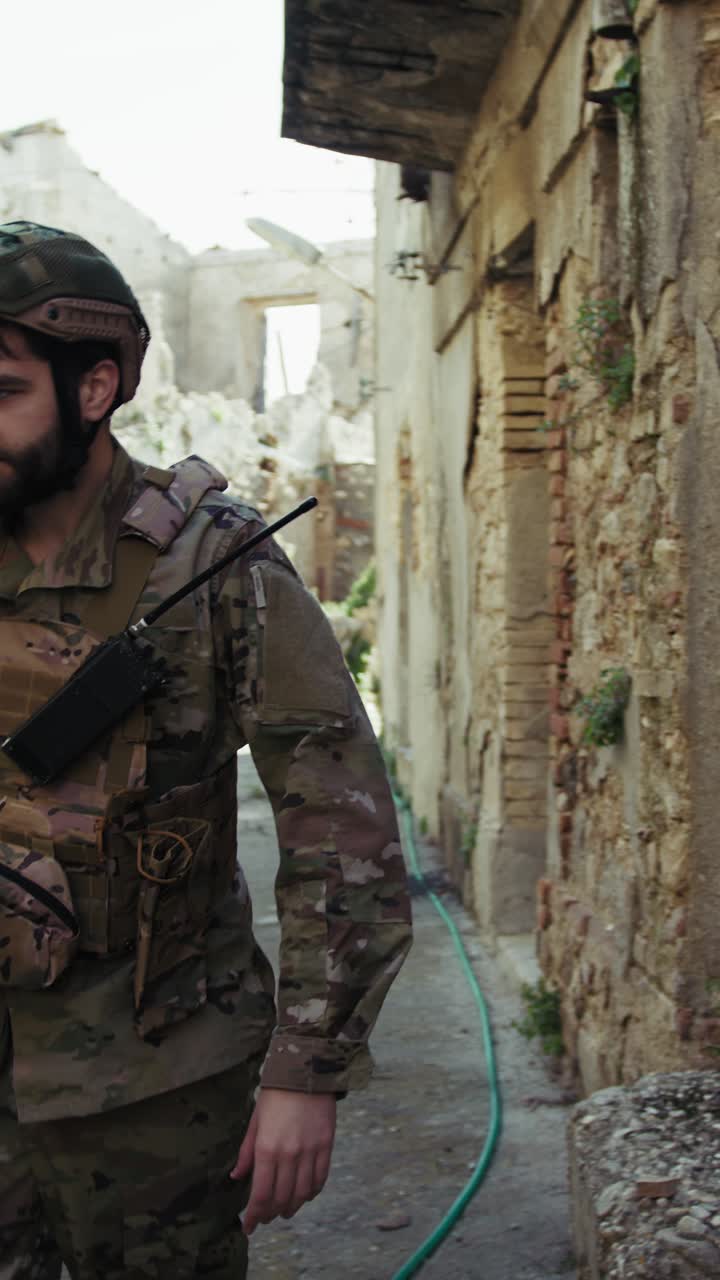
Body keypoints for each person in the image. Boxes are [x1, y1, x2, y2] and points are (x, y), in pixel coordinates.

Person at [0, 221, 412, 1279]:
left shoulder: (213, 562)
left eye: (2, 391)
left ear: (95, 387)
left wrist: (306, 1068)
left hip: (156, 1095)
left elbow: (340, 824)